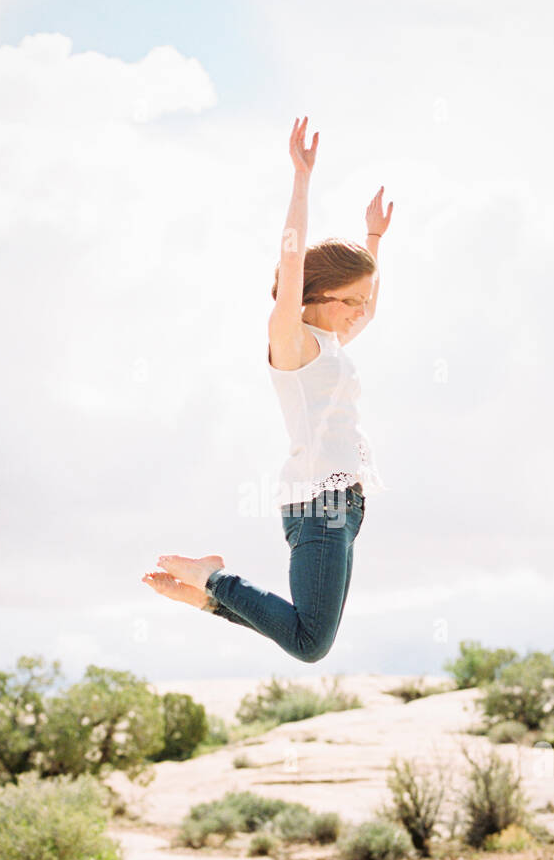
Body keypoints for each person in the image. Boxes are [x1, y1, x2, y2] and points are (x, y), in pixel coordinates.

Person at [142, 115, 393, 661]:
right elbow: (291, 257)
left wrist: (373, 238)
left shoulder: (331, 348)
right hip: (319, 502)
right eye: (347, 300)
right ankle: (213, 581)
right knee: (311, 644)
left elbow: (370, 304)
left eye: (360, 302)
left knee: (306, 632)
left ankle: (208, 599)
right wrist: (302, 180)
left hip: (344, 506)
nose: (358, 312)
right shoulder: (293, 341)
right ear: (314, 294)